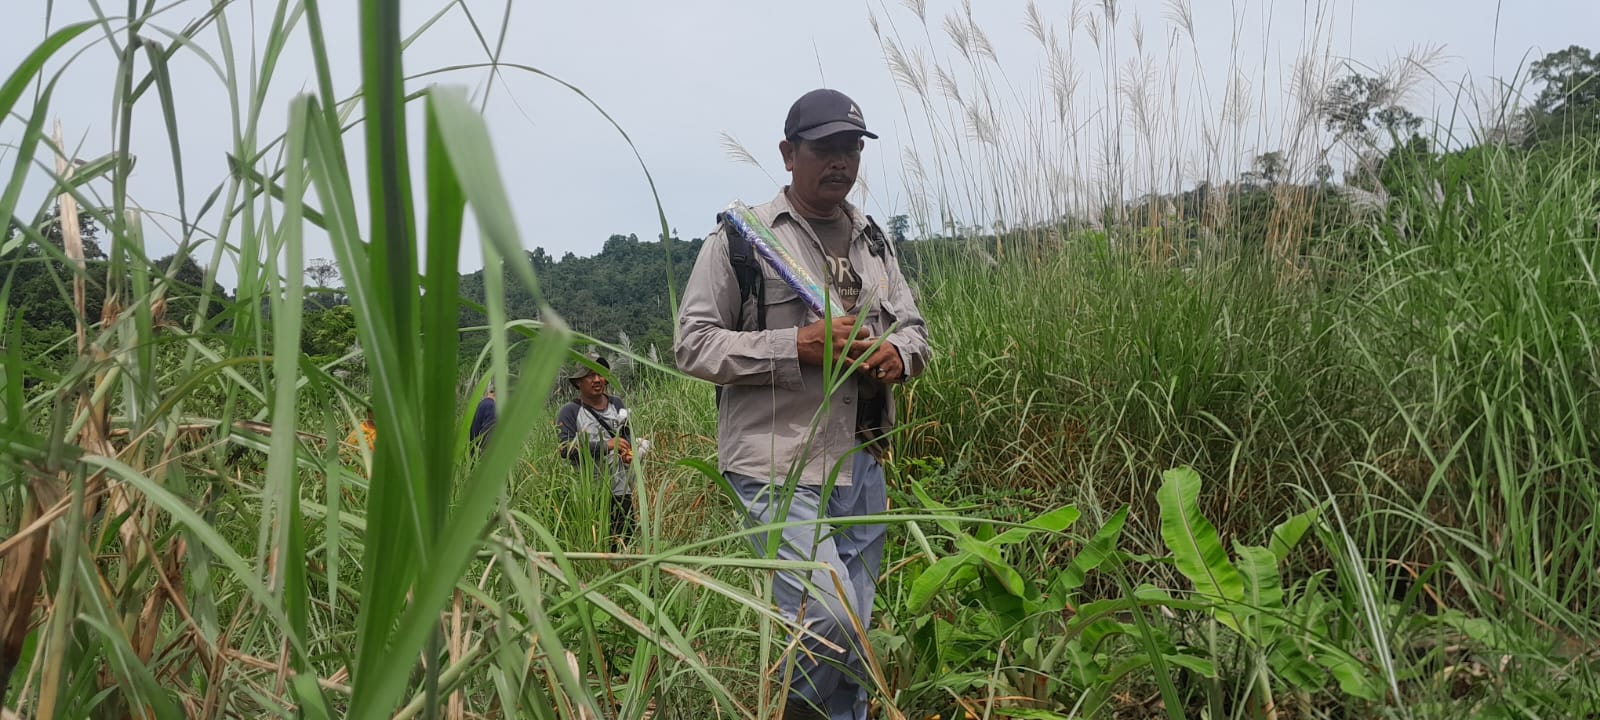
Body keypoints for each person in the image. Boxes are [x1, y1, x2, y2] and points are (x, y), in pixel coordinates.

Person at [674, 88, 931, 720]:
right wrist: (796, 346)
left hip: (863, 459)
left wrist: (901, 354)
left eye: (851, 148)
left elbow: (915, 326)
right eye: (824, 148)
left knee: (855, 629)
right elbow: (693, 346)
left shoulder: (874, 241)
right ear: (789, 154)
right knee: (826, 617)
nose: (840, 161)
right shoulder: (743, 241)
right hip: (776, 464)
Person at [555, 354, 637, 548]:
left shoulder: (616, 404)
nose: (598, 380)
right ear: (578, 383)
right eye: (590, 375)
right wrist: (605, 445)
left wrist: (626, 452)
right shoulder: (570, 411)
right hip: (591, 493)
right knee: (599, 544)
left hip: (621, 489)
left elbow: (626, 436)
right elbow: (565, 449)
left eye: (600, 374)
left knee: (627, 542)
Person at [469, 383, 496, 450]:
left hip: (472, 452)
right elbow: (486, 439)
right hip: (481, 456)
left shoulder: (481, 404)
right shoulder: (492, 407)